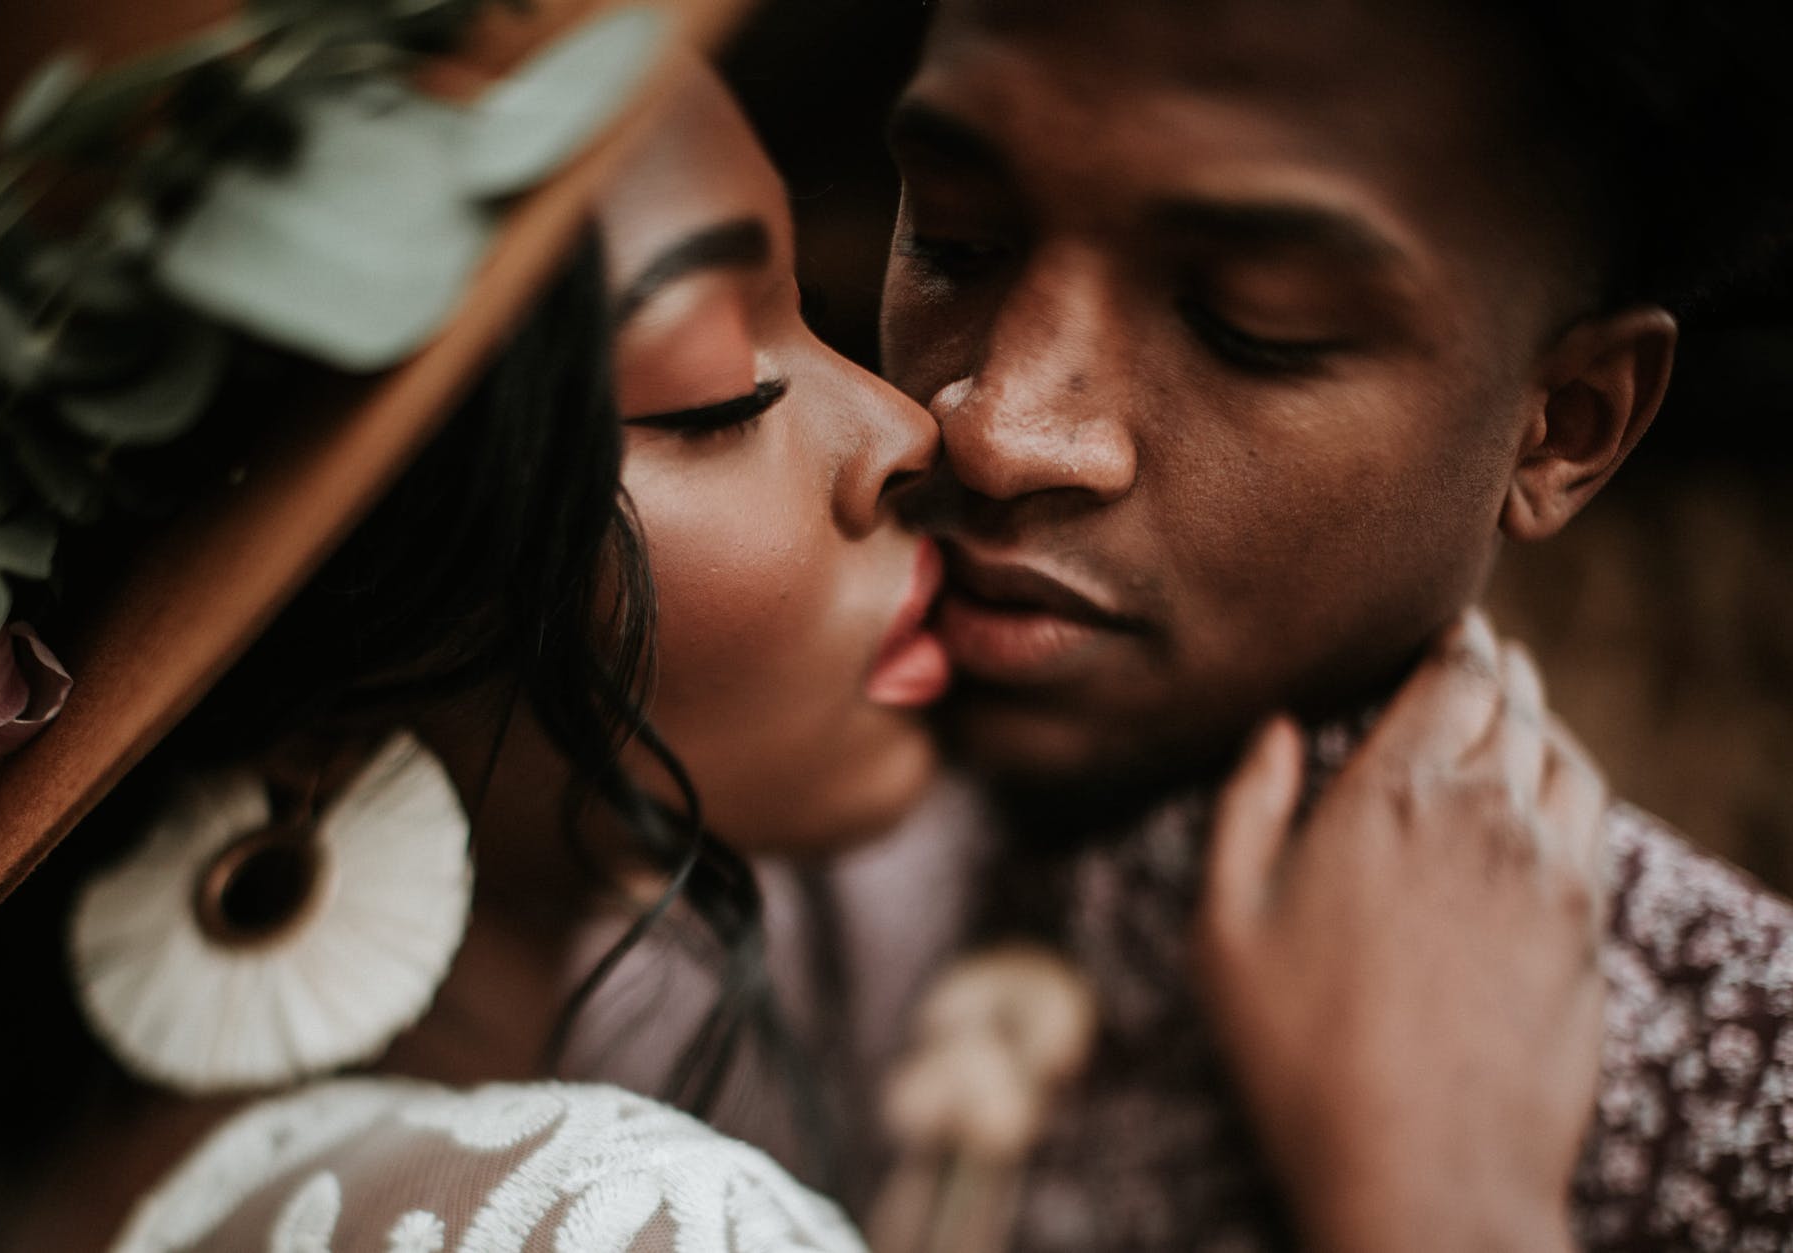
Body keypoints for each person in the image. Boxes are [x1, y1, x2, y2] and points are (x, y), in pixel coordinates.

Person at [0, 4, 1605, 1252]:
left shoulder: (77, 1187)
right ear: (319, 688)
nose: (918, 428)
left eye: (824, 309)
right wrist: (1441, 1204)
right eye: (720, 395)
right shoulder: (631, 1220)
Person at [670, 0, 1793, 1248]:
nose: (994, 427)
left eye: (1251, 322)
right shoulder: (723, 801)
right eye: (955, 237)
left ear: (1564, 426)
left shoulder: (1734, 1095)